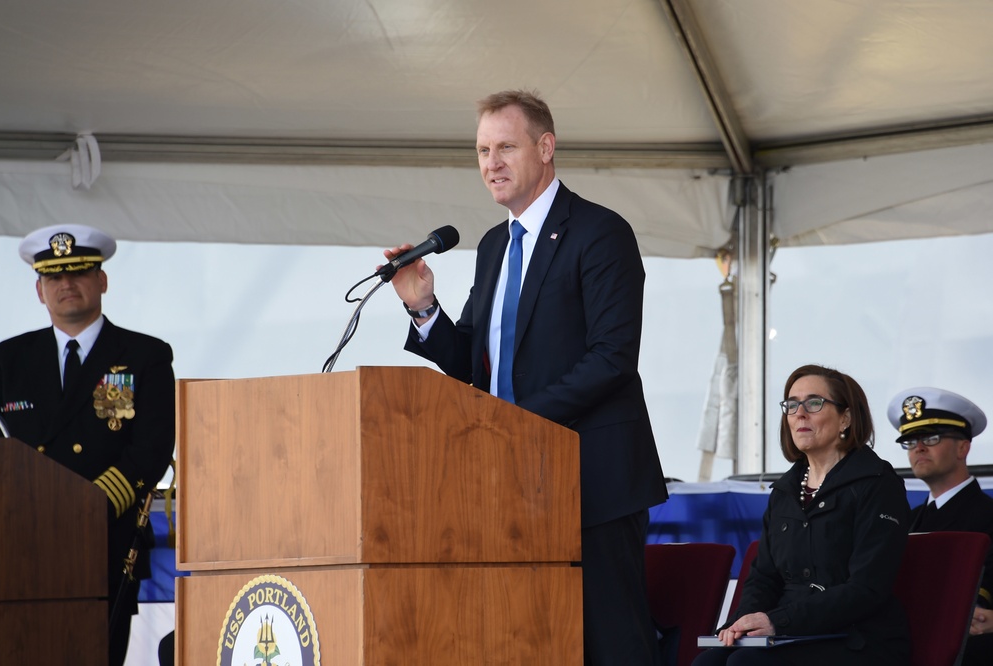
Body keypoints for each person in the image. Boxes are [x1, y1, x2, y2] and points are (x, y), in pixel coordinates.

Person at [383, 89, 668, 665]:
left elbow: (612, 358)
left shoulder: (600, 232)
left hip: (591, 483)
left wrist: (514, 423)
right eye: (483, 150)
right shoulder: (494, 246)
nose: (491, 163)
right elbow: (474, 363)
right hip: (509, 484)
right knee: (527, 640)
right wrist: (423, 308)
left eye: (506, 147)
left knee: (609, 646)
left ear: (546, 147)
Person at [0, 224, 175, 666]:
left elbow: (150, 450)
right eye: (54, 277)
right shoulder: (5, 361)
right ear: (39, 290)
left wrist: (85, 509)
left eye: (78, 272)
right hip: (21, 546)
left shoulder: (144, 355)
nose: (66, 284)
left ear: (102, 281)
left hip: (104, 543)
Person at [693, 364, 910, 666]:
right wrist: (744, 623)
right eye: (792, 405)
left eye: (814, 403)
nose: (799, 414)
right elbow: (763, 578)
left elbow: (867, 588)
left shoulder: (877, 483)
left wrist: (777, 621)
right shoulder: (785, 491)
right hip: (791, 633)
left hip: (857, 638)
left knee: (746, 664)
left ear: (846, 417)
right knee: (708, 662)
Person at [887, 387, 993, 665]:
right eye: (910, 442)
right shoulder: (904, 521)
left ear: (963, 447)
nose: (918, 448)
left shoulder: (989, 515)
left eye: (930, 438)